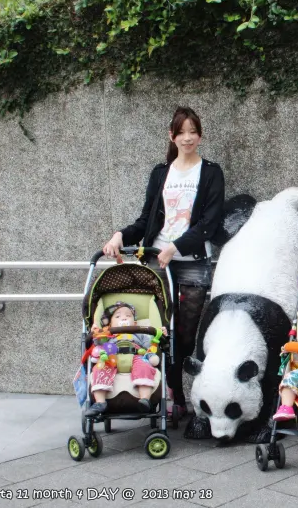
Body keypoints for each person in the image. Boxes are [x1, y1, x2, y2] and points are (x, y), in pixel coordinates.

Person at [100, 106, 225, 421]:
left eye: (192, 131)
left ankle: (180, 390)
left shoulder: (211, 172)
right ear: (172, 136)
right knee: (160, 328)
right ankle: (173, 396)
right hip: (157, 260)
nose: (187, 138)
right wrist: (119, 235)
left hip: (193, 260)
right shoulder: (161, 173)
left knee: (186, 333)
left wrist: (177, 246)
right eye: (181, 132)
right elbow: (146, 220)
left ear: (200, 135)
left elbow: (210, 222)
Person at [85, 302, 168, 416]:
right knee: (99, 369)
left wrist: (159, 334)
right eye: (118, 316)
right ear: (110, 324)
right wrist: (96, 332)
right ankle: (100, 402)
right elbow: (99, 343)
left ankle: (144, 399)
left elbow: (150, 344)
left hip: (136, 354)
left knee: (145, 367)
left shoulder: (140, 333)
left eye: (128, 315)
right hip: (112, 355)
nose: (123, 317)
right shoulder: (108, 335)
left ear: (134, 322)